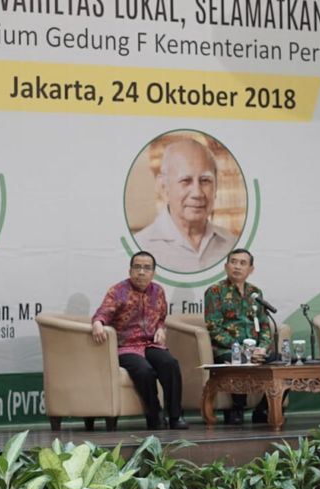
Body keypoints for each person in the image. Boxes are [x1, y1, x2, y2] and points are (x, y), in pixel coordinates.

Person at [91, 251, 188, 430]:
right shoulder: (118, 291)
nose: (141, 272)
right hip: (125, 347)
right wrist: (97, 323)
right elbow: (103, 312)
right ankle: (154, 414)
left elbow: (161, 318)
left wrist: (160, 329)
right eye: (137, 267)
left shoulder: (158, 291)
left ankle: (175, 416)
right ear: (130, 271)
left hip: (149, 344)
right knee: (144, 370)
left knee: (170, 364)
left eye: (146, 268)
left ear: (153, 273)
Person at [134, 139, 236, 272]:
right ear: (164, 188)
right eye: (186, 181)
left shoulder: (232, 245)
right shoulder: (140, 247)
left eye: (205, 180)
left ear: (216, 187)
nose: (197, 193)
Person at [204, 248, 272, 425]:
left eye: (243, 263)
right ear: (226, 266)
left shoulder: (255, 293)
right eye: (233, 262)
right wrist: (244, 350)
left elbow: (265, 325)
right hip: (227, 349)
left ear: (251, 269)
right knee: (240, 360)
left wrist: (262, 348)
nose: (237, 266)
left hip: (256, 350)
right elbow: (214, 327)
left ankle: (263, 409)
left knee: (283, 364)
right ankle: (237, 408)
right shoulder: (215, 291)